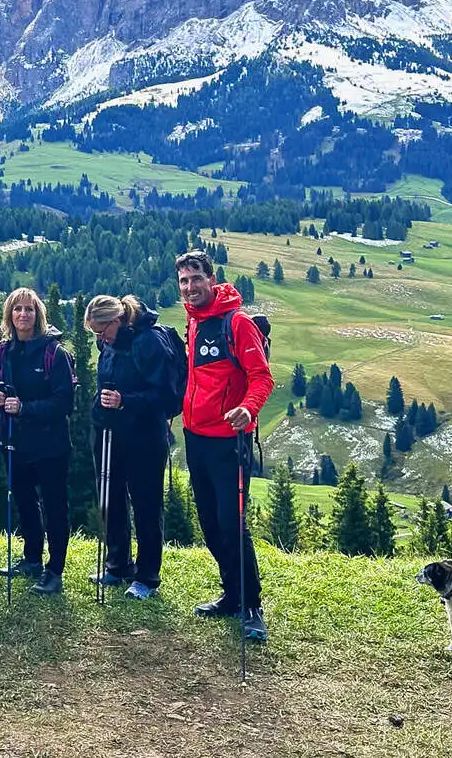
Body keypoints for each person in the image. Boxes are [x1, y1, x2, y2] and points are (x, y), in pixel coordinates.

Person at [176, 248, 273, 642]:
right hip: (196, 438)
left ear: (212, 279)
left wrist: (247, 410)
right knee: (211, 525)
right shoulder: (195, 321)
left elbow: (261, 378)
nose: (190, 286)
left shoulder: (238, 323)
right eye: (183, 281)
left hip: (229, 442)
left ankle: (251, 605)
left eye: (196, 278)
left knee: (232, 525)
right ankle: (231, 595)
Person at [85, 294, 180, 600]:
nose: (101, 339)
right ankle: (118, 565)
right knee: (110, 498)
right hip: (110, 431)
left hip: (145, 435)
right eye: (96, 335)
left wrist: (126, 400)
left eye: (103, 331)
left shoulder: (150, 341)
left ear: (117, 320)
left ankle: (147, 576)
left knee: (146, 504)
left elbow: (165, 397)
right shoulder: (109, 343)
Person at [0, 287, 75, 596]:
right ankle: (32, 559)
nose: (23, 314)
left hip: (51, 444)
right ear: (9, 315)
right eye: (17, 309)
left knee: (54, 507)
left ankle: (55, 570)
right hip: (14, 442)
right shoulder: (1, 350)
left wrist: (24, 408)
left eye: (29, 309)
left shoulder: (55, 353)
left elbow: (65, 402)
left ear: (39, 315)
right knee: (24, 502)